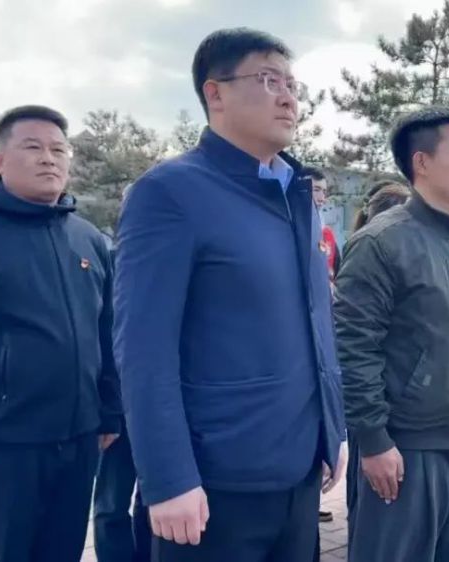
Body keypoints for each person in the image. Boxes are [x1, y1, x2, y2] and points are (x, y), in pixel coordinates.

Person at [114, 28, 346, 562]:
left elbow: (317, 325)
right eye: (268, 80)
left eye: (291, 84)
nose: (288, 98)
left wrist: (331, 429)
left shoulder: (296, 195)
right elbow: (144, 349)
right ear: (214, 93)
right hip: (215, 480)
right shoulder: (170, 193)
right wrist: (168, 478)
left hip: (298, 468)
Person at [0, 105, 121, 562]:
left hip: (78, 439)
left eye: (59, 150)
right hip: (3, 444)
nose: (49, 158)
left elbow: (106, 330)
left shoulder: (88, 238)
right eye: (32, 147)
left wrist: (110, 411)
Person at [334, 107, 449, 562]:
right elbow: (353, 347)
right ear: (422, 163)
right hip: (409, 449)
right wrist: (373, 439)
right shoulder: (382, 243)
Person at [342, 181, 410, 530]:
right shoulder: (368, 251)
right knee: (370, 496)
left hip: (391, 402)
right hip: (375, 402)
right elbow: (354, 341)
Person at [93, 186, 151, 562]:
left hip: (158, 403)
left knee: (155, 496)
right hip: (116, 403)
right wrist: (107, 405)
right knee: (111, 502)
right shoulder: (106, 263)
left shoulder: (173, 261)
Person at [306, 165, 342, 283]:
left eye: (324, 192)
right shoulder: (286, 230)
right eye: (316, 190)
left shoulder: (327, 235)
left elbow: (337, 275)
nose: (322, 198)